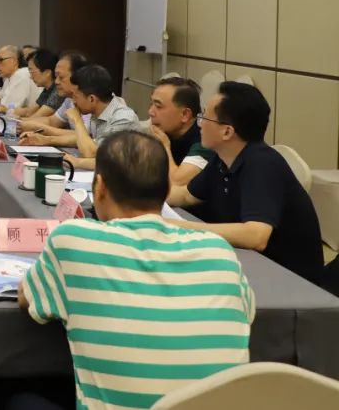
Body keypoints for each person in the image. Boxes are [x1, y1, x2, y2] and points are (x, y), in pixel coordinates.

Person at [18, 131, 254, 410]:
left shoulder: (72, 240)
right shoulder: (220, 251)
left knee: (16, 398)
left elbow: (25, 297)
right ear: (167, 190)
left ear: (99, 187)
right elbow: (246, 313)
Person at [167, 82, 324, 283]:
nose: (200, 124)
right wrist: (136, 200)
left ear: (227, 132)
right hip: (249, 265)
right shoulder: (223, 157)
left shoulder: (262, 164)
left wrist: (181, 227)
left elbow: (256, 236)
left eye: (205, 117)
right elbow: (186, 195)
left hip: (289, 281)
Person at [21, 64, 140, 170]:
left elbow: (91, 153)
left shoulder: (123, 119)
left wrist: (77, 120)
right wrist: (45, 140)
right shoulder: (99, 110)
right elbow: (86, 140)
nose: (73, 101)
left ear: (92, 99)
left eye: (76, 96)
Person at [148, 77, 213, 184]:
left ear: (185, 114)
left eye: (158, 106)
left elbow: (177, 182)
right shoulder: (165, 132)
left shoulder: (205, 142)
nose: (150, 112)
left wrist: (164, 147)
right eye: (151, 104)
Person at [18, 50, 88, 131]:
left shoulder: (89, 99)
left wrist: (45, 136)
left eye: (61, 77)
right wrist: (19, 123)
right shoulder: (69, 99)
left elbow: (84, 135)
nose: (56, 81)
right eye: (56, 76)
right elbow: (51, 121)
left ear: (77, 76)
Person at [0, 45, 41, 113]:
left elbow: (7, 108)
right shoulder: (10, 76)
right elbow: (0, 97)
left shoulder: (21, 75)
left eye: (0, 60)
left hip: (30, 117)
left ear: (14, 61)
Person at [15, 48, 63, 119]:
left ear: (47, 72)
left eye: (32, 72)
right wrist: (8, 111)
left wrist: (13, 119)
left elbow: (35, 118)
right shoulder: (47, 90)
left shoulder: (58, 91)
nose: (30, 77)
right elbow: (30, 111)